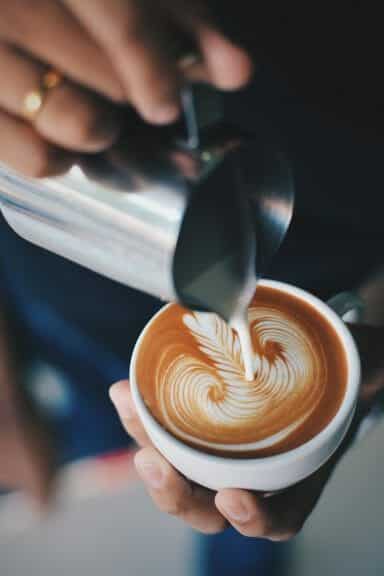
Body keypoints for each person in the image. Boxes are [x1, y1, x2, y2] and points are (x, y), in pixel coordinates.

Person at [0, 1, 383, 573]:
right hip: (59, 301)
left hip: (331, 290)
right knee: (108, 438)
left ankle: (241, 543)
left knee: (239, 506)